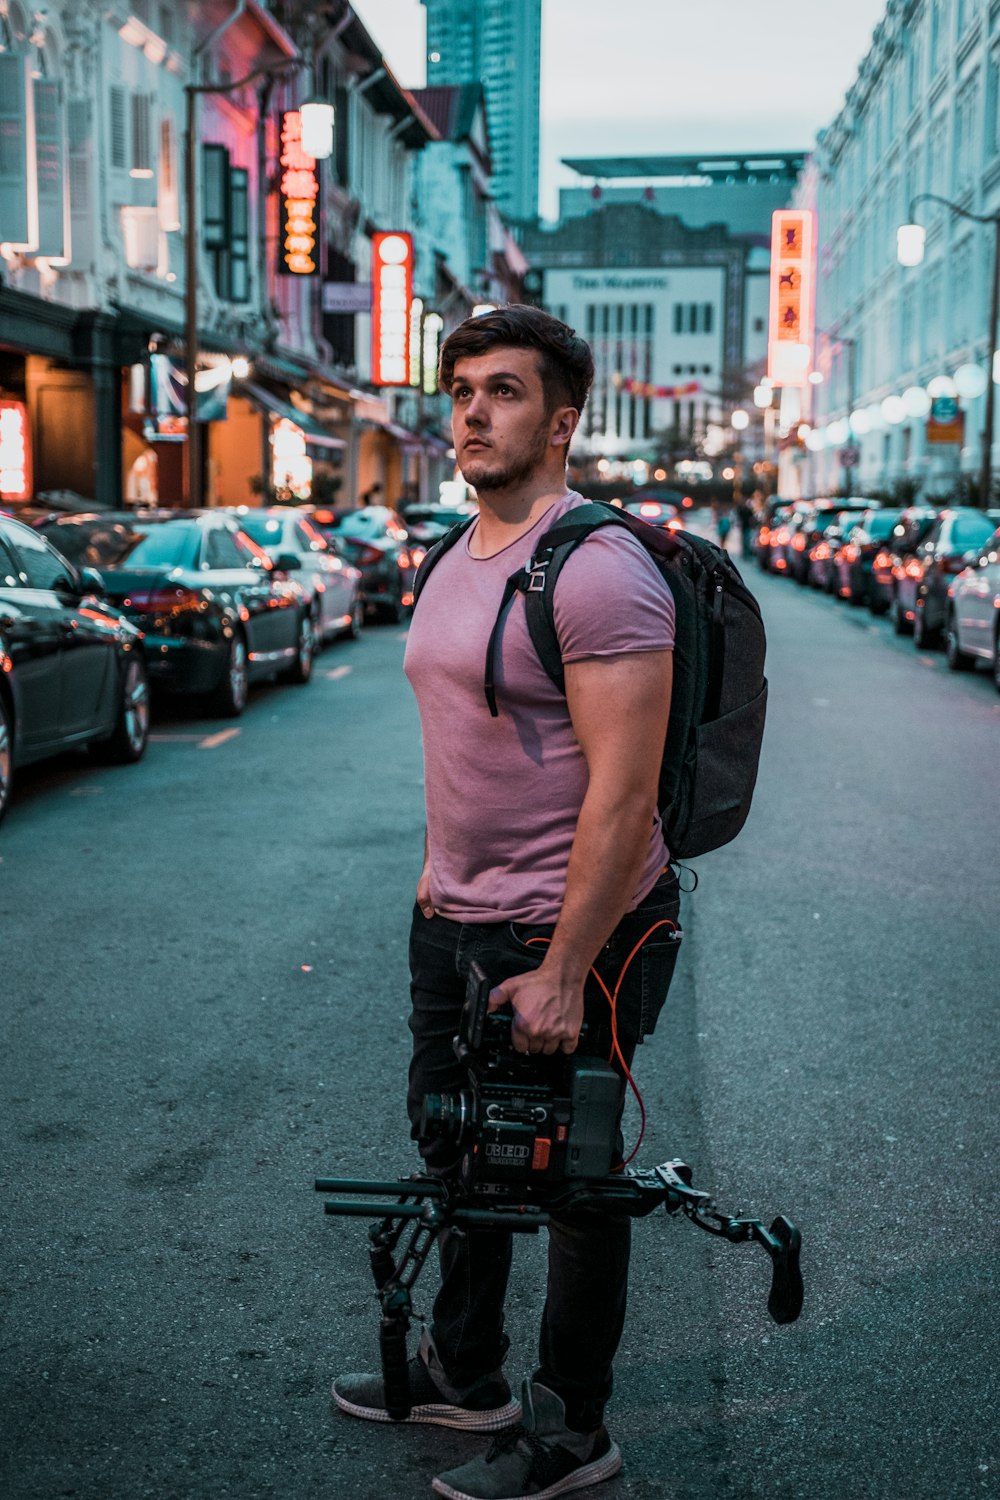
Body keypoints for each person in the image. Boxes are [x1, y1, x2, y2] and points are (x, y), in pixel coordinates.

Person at [332, 305, 681, 1500]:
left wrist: (570, 965)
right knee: (460, 1147)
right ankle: (461, 1370)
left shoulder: (599, 572)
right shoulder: (453, 549)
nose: (473, 412)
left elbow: (623, 796)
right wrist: (437, 881)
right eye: (463, 390)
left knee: (573, 1183)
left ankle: (572, 1426)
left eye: (505, 391)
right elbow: (467, 741)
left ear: (563, 419)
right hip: (455, 916)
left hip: (574, 928)